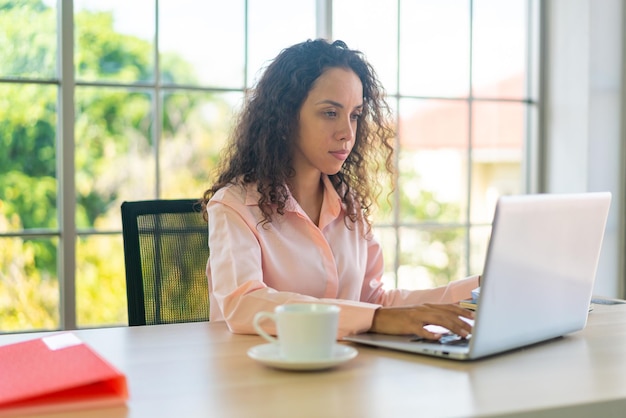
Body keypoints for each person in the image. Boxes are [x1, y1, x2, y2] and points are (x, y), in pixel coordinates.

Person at [201, 38, 478, 340]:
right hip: (253, 377)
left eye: (355, 115)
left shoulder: (349, 206)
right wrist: (374, 318)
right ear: (285, 116)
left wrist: (476, 288)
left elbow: (374, 304)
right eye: (330, 113)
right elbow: (244, 304)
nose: (347, 133)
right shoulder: (234, 206)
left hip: (339, 373)